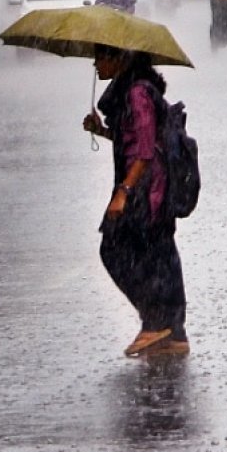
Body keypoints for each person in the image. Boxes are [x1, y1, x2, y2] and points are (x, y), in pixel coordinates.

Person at [82, 44, 189, 357]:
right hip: (151, 186)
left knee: (116, 249)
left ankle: (156, 322)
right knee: (157, 255)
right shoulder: (133, 90)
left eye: (100, 57)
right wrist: (102, 131)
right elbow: (136, 140)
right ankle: (172, 332)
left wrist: (123, 193)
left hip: (146, 190)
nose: (96, 65)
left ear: (120, 59)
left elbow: (143, 151)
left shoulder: (137, 94)